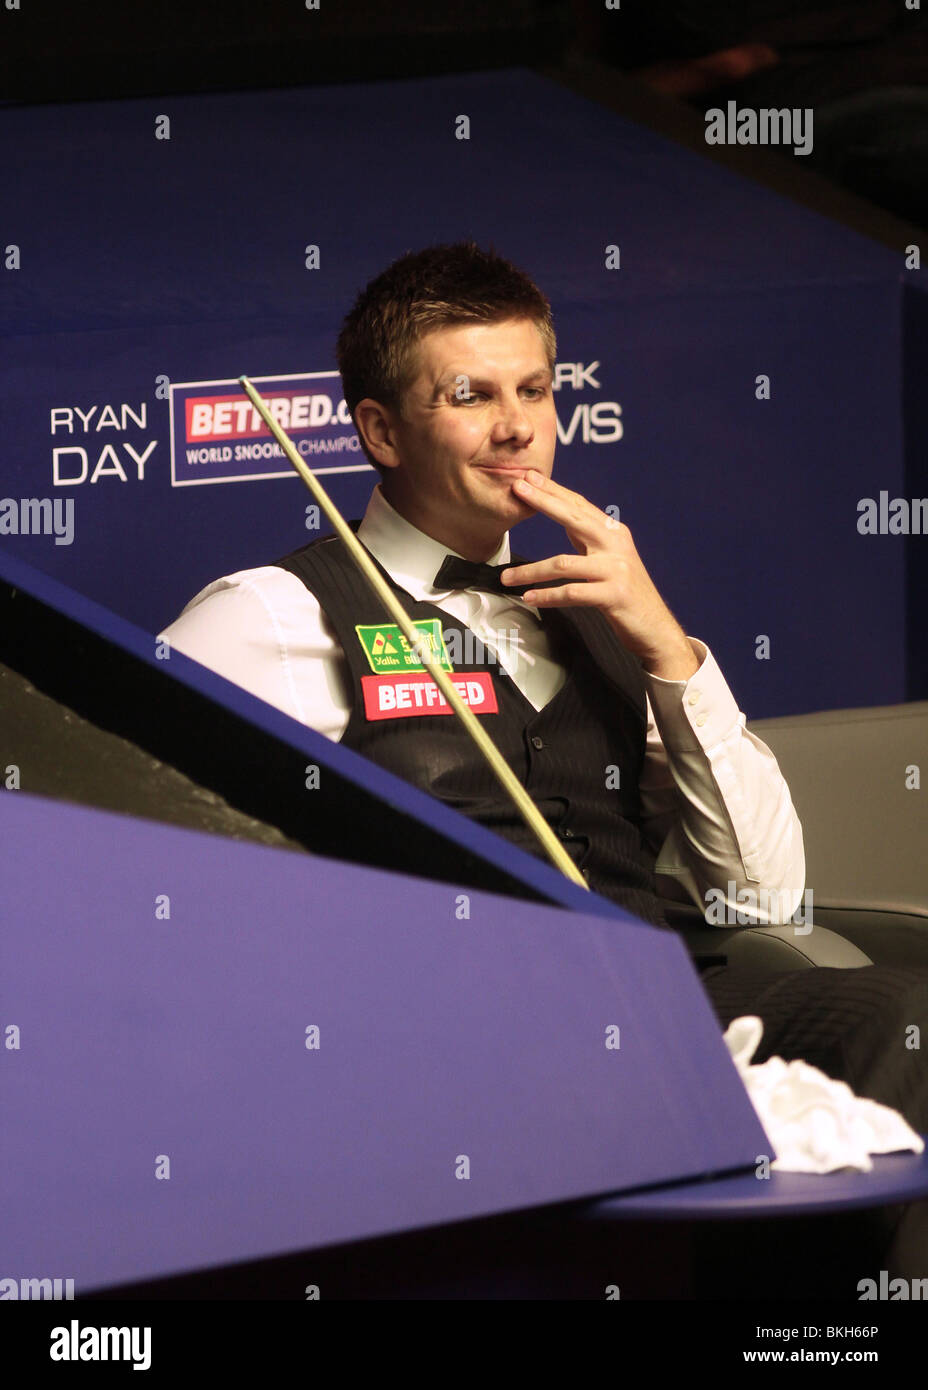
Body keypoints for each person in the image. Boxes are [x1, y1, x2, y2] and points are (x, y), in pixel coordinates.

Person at [162, 241, 928, 1280]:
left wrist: (667, 647)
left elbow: (764, 899)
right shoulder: (270, 617)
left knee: (898, 1013)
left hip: (670, 1005)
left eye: (534, 388)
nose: (518, 423)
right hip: (448, 1035)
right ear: (380, 430)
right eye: (471, 394)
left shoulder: (610, 607)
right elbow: (161, 887)